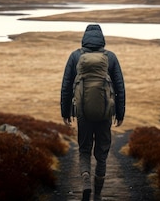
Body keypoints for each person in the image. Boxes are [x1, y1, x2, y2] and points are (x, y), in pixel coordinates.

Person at [61, 24, 126, 201]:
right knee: (102, 151)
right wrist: (120, 114)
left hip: (82, 112)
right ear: (102, 38)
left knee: (84, 149)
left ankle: (85, 181)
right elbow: (120, 86)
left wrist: (65, 112)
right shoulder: (110, 57)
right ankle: (98, 193)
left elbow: (66, 86)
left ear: (84, 37)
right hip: (106, 112)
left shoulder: (75, 56)